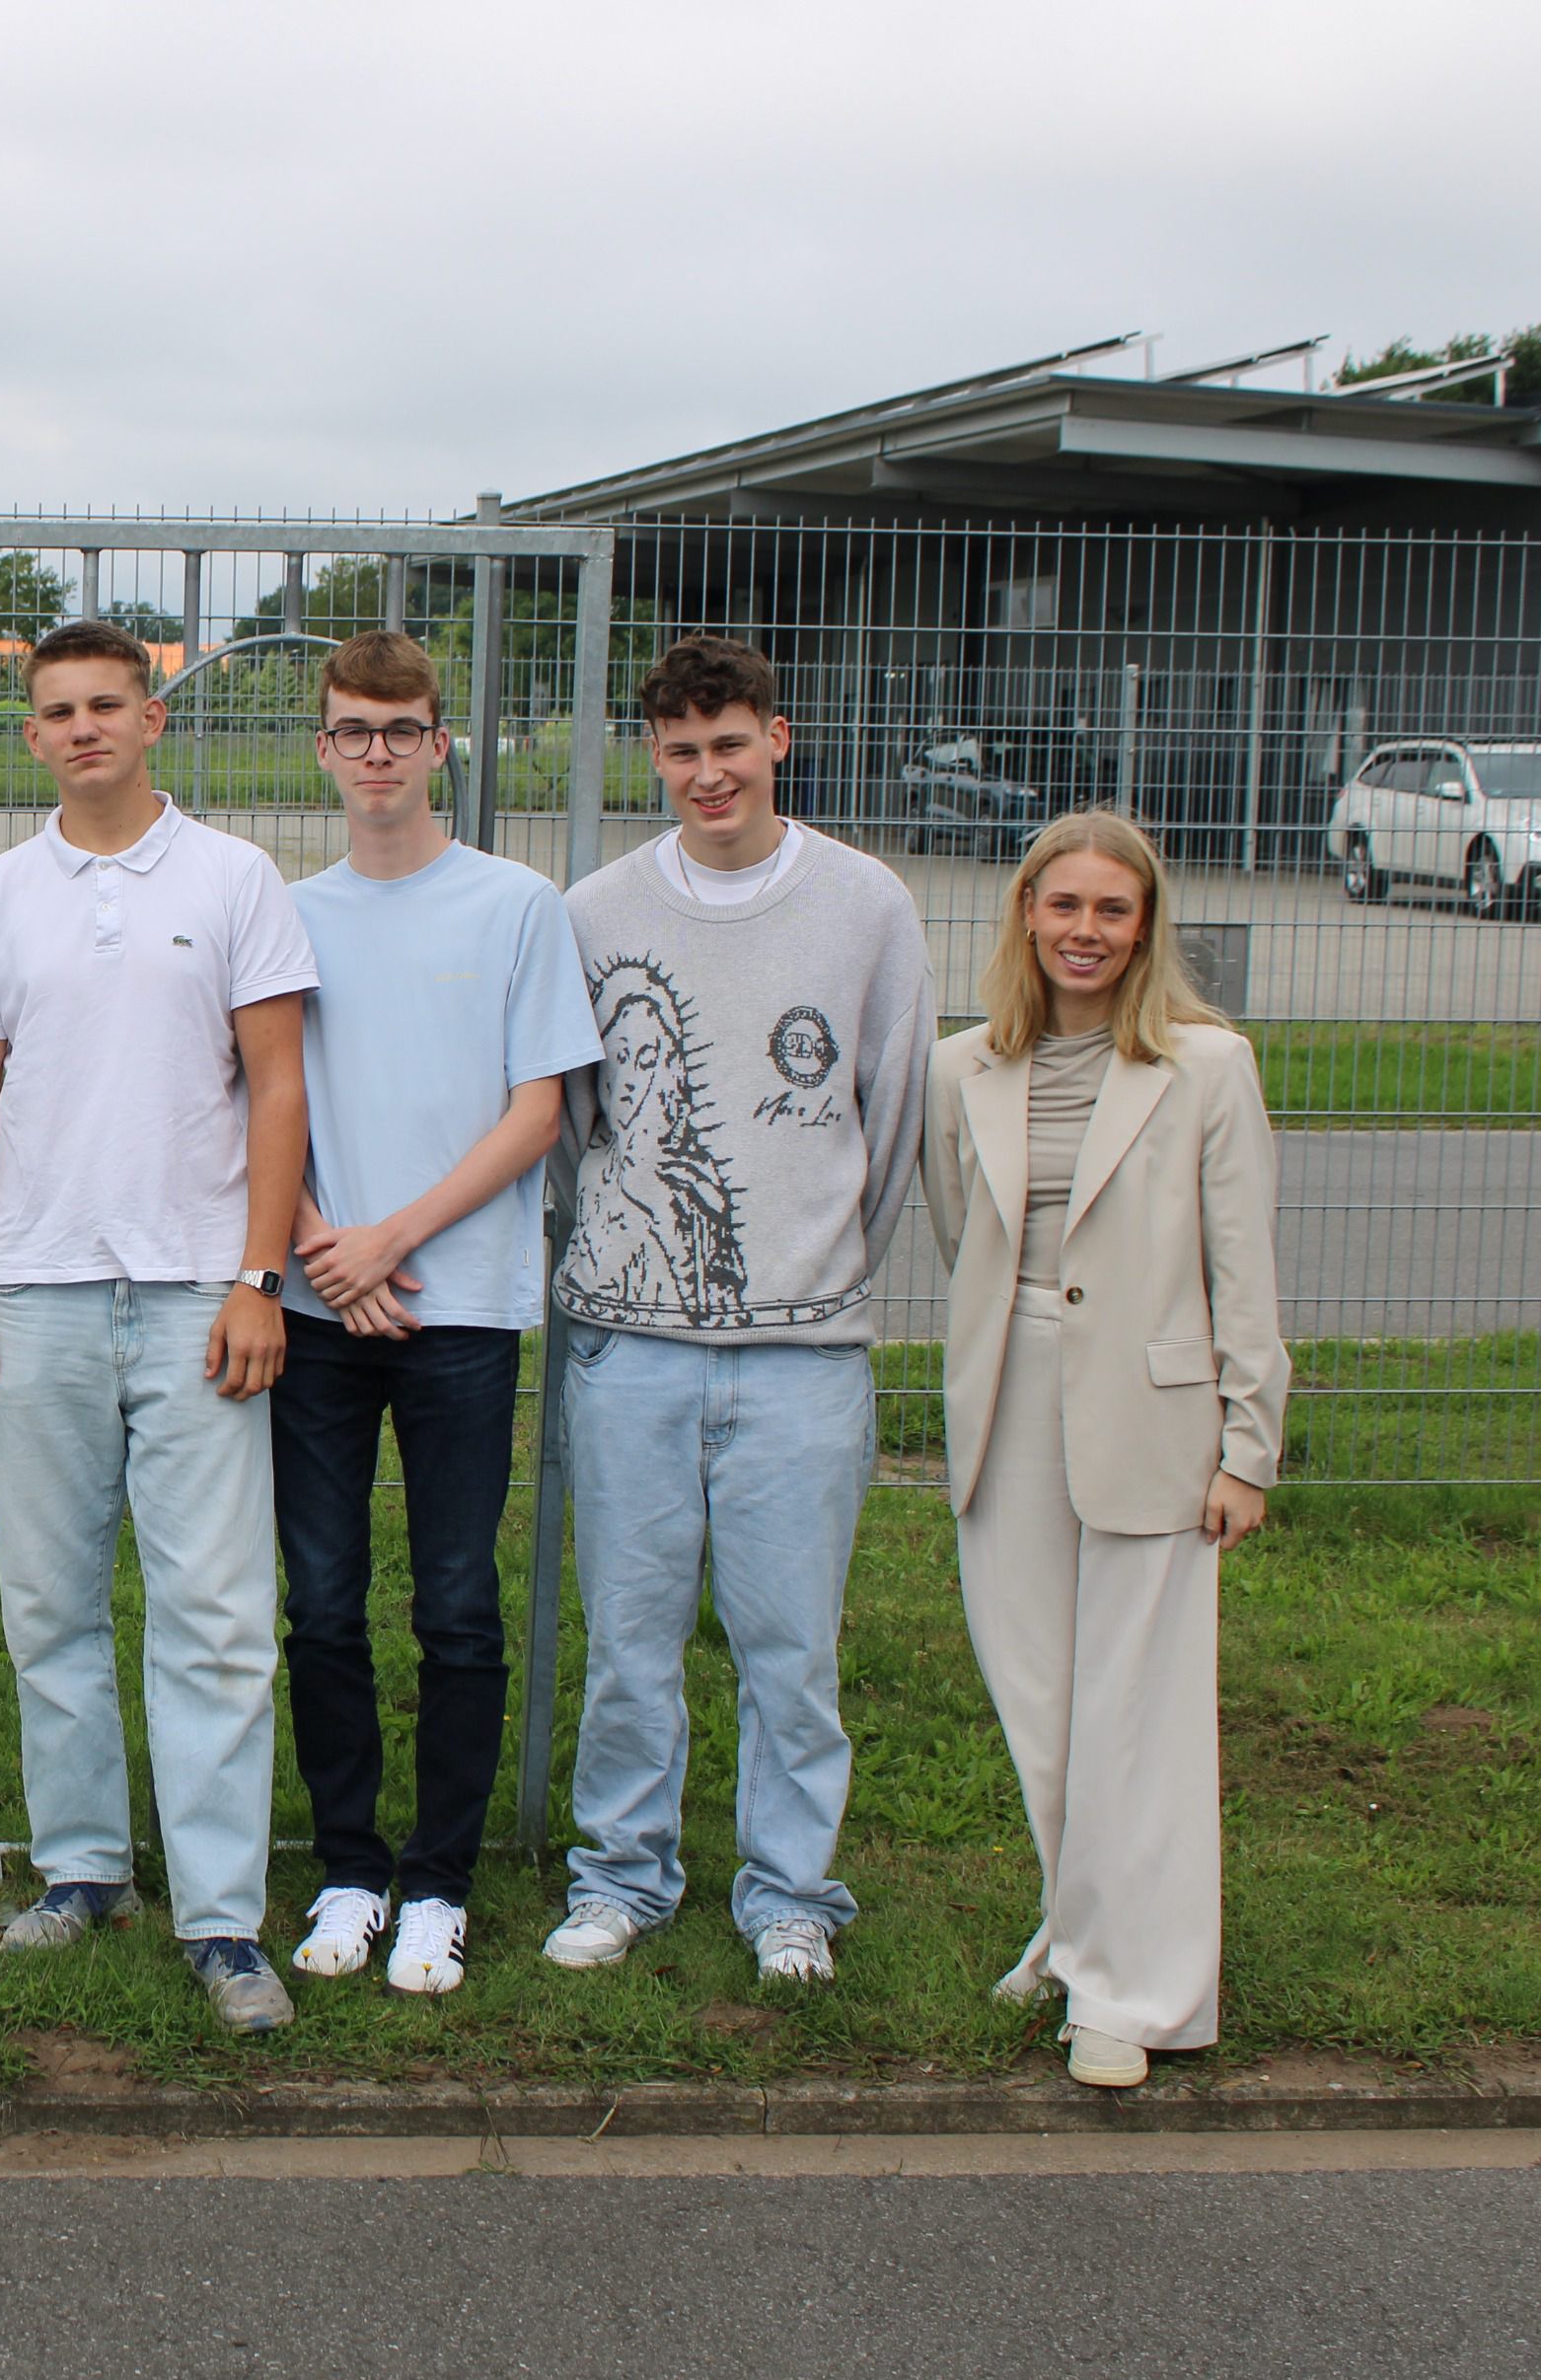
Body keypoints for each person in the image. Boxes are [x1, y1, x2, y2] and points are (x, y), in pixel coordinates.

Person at [0, 616, 317, 2036]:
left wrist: (260, 1277)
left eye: (108, 704)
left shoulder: (233, 877)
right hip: (34, 1290)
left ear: (154, 720)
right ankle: (85, 1869)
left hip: (198, 1293)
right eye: (58, 710)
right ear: (32, 735)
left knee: (215, 1614)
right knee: (49, 1604)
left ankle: (222, 1920)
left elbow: (277, 1088)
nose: (84, 727)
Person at [547, 633, 936, 1983]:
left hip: (801, 1355)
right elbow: (579, 1125)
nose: (707, 773)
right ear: (652, 756)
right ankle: (621, 1877)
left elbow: (893, 1117)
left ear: (778, 737)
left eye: (729, 744)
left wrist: (816, 1268)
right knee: (629, 1642)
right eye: (680, 751)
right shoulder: (596, 913)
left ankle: (790, 1897)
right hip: (633, 1350)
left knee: (791, 1648)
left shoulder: (867, 906)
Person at [923, 810, 1284, 2091]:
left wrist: (1247, 1448)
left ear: (1144, 928)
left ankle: (1136, 1998)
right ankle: (1078, 1936)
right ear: (1027, 912)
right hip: (1009, 1402)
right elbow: (963, 1232)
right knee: (1042, 1703)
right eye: (1064, 905)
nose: (1085, 931)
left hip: (1155, 1416)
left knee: (1137, 1713)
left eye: (1111, 911)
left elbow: (1244, 1269)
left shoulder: (1207, 1067)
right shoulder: (962, 1068)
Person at [273, 632, 600, 1995]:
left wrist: (390, 1239)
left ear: (440, 743)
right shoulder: (288, 911)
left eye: (401, 729)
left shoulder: (516, 906)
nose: (379, 754)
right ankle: (351, 1866)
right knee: (323, 1603)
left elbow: (538, 1110)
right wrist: (318, 1244)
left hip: (460, 1306)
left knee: (458, 1603)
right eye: (354, 730)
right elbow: (255, 1099)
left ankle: (440, 1883)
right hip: (313, 1310)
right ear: (323, 749)